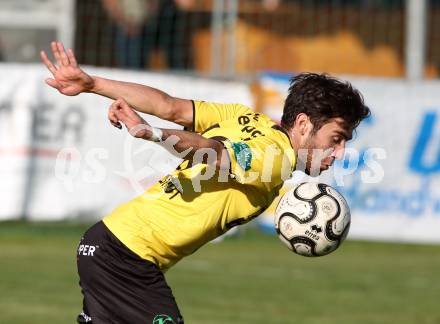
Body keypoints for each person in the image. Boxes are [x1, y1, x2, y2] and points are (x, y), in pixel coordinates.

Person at [40, 41, 370, 324]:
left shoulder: (245, 117)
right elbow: (213, 151)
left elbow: (169, 107)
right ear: (302, 124)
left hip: (108, 245)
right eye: (337, 138)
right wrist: (155, 134)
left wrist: (92, 83)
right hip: (127, 259)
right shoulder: (276, 159)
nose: (339, 153)